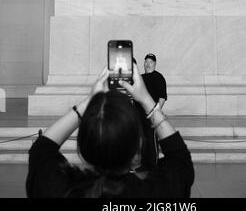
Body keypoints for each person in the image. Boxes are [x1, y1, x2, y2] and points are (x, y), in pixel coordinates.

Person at [26, 64, 194, 198]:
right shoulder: (161, 194)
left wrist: (90, 101)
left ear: (83, 145)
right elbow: (179, 157)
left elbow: (43, 148)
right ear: (138, 145)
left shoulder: (56, 190)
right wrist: (146, 100)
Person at [139, 53, 167, 171]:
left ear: (154, 64)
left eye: (150, 61)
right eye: (146, 61)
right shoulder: (140, 78)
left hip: (152, 114)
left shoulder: (159, 77)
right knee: (144, 140)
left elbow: (162, 96)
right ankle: (144, 165)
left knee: (152, 140)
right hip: (141, 114)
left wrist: (157, 112)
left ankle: (153, 165)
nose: (148, 63)